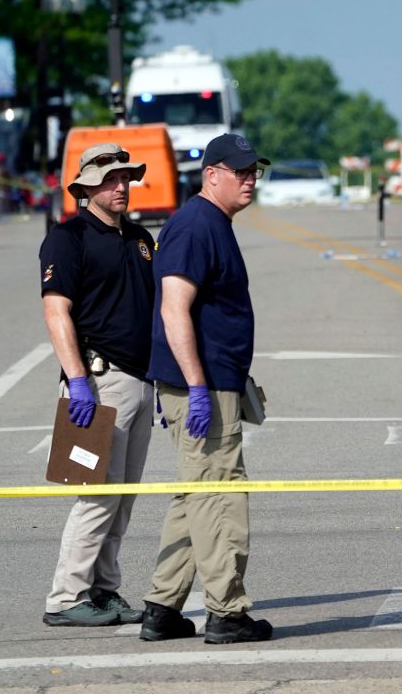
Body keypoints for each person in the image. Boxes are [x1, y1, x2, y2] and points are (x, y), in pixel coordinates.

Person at [140, 133, 271, 645]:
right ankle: (228, 613)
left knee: (195, 494)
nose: (249, 179)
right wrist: (198, 388)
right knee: (220, 495)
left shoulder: (211, 222)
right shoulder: (196, 225)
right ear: (210, 173)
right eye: (239, 171)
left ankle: (162, 605)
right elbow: (175, 308)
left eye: (254, 171)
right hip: (203, 385)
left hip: (213, 381)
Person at [38, 143, 156, 628]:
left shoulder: (140, 238)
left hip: (140, 381)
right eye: (110, 179)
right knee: (96, 495)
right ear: (85, 187)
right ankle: (66, 598)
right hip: (99, 382)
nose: (122, 186)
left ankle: (104, 590)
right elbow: (56, 310)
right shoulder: (68, 238)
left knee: (122, 498)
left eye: (126, 177)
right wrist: (78, 381)